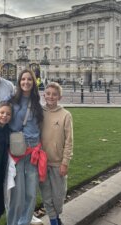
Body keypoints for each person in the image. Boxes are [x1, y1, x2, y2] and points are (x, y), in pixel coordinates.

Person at [6, 69, 44, 225]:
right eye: (23, 79)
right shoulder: (11, 100)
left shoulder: (36, 101)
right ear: (19, 82)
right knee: (17, 194)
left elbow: (39, 126)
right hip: (17, 149)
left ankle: (24, 222)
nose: (26, 82)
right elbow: (3, 119)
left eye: (29, 79)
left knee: (30, 193)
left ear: (33, 82)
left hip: (33, 149)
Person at [39, 82, 73, 225]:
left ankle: (56, 216)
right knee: (46, 195)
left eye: (54, 94)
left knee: (58, 196)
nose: (51, 97)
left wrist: (65, 162)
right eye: (48, 94)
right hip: (42, 162)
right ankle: (53, 220)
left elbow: (69, 141)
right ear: (44, 95)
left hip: (58, 162)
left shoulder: (66, 115)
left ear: (59, 96)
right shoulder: (39, 112)